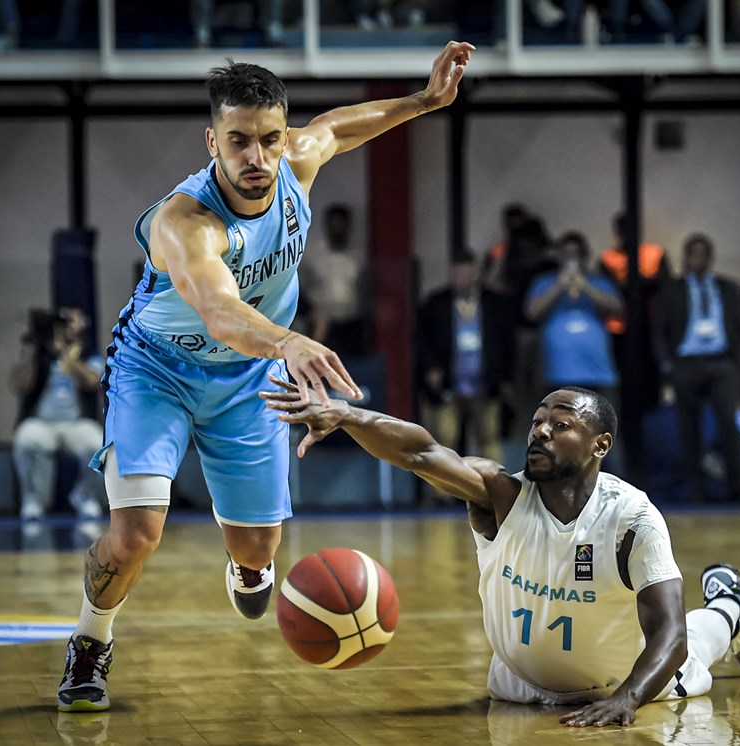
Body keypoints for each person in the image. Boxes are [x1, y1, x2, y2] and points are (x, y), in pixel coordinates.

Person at [54, 40, 476, 713]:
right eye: (239, 142)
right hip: (157, 372)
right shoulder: (184, 222)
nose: (257, 158)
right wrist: (289, 342)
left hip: (249, 378)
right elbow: (220, 311)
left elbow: (338, 126)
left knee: (257, 550)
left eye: (270, 139)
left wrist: (424, 101)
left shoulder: (295, 163)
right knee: (136, 533)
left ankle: (247, 563)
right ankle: (90, 640)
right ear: (212, 141)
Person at [262, 378, 740, 727]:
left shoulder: (632, 518)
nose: (541, 431)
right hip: (516, 690)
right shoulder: (500, 495)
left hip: (628, 681)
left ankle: (732, 607)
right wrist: (348, 415)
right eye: (537, 422)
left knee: (703, 633)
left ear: (600, 445)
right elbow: (419, 452)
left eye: (561, 424)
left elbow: (670, 633)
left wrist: (628, 698)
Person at [652, 234, 740, 502]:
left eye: (702, 254)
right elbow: (659, 330)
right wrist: (667, 365)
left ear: (709, 257)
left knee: (730, 425)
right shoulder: (673, 290)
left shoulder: (727, 288)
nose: (697, 259)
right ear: (685, 258)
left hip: (722, 362)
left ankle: (738, 486)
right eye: (692, 254)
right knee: (689, 428)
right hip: (686, 364)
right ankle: (696, 488)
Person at [524, 231, 625, 475]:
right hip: (557, 375)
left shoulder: (598, 281)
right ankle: (555, 491)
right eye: (566, 254)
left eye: (575, 255)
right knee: (555, 438)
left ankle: (616, 491)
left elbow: (618, 308)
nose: (571, 259)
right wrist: (560, 284)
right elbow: (532, 312)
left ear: (584, 256)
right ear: (558, 256)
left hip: (599, 375)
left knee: (606, 435)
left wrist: (585, 285)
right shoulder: (544, 282)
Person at [416, 248, 516, 468]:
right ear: (451, 274)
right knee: (444, 437)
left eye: (468, 274)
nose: (464, 279)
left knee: (489, 438)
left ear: (476, 273)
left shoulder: (493, 303)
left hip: (486, 381)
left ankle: (494, 488)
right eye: (459, 274)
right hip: (448, 381)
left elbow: (507, 342)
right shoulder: (436, 303)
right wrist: (430, 368)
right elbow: (421, 340)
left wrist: (505, 377)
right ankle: (441, 495)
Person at [10, 307, 106, 521]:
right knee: (27, 439)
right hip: (42, 422)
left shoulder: (88, 351)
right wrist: (31, 348)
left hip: (77, 423)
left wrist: (66, 355)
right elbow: (19, 384)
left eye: (77, 320)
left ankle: (84, 495)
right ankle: (34, 500)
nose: (71, 325)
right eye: (66, 321)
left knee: (100, 446)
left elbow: (92, 381)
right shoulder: (38, 351)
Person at [599, 213, 669, 480]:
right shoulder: (608, 259)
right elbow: (611, 293)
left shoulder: (654, 254)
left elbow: (664, 289)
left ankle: (648, 470)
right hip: (620, 340)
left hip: (649, 340)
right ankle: (630, 471)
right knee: (623, 411)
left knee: (649, 407)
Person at [297, 203, 369, 357]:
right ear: (327, 225)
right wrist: (311, 312)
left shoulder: (358, 256)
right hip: (323, 324)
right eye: (334, 224)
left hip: (352, 323)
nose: (337, 228)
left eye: (341, 224)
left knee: (352, 368)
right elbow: (298, 288)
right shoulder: (313, 255)